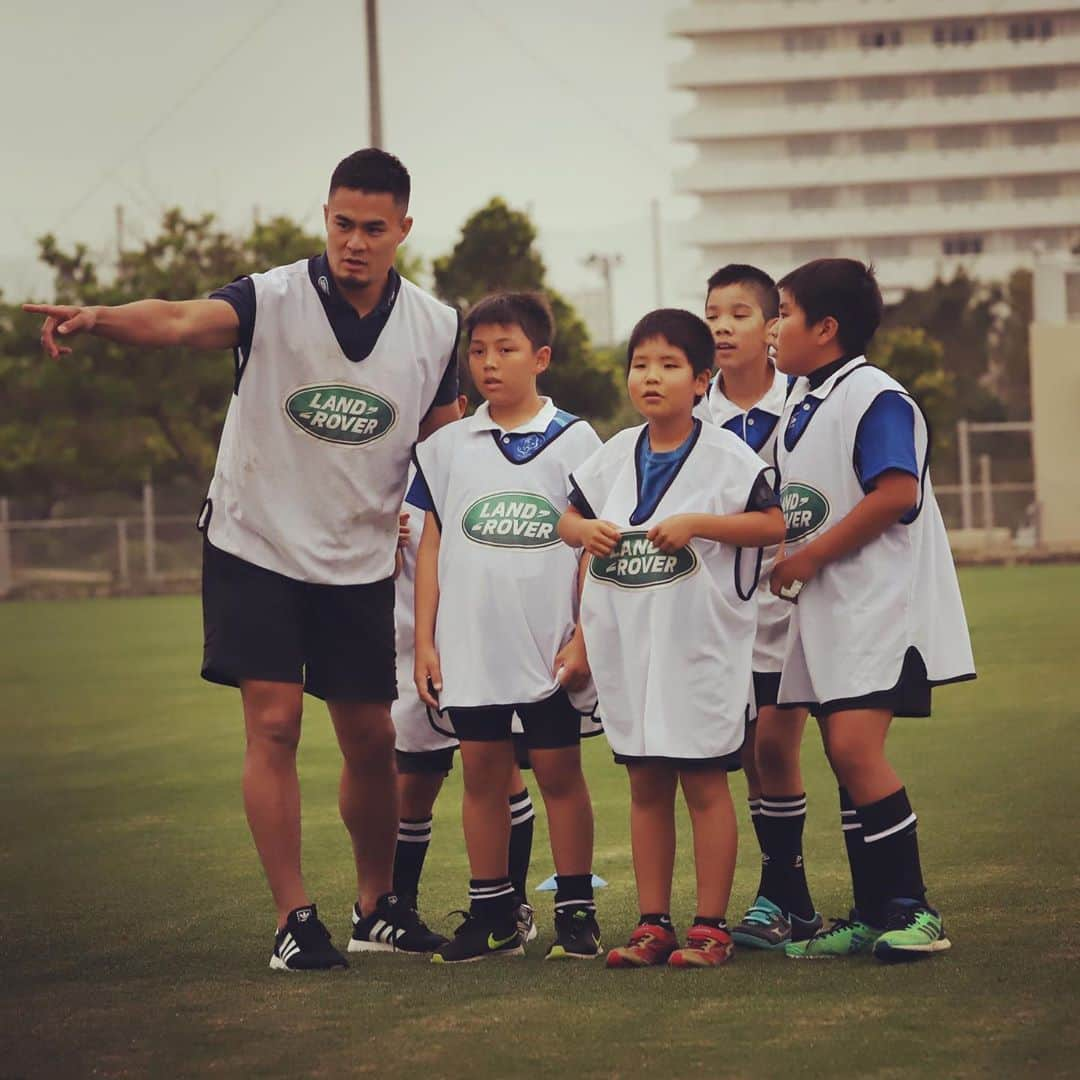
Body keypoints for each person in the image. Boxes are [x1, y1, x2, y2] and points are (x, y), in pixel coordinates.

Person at [26, 149, 463, 970]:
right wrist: (102, 315)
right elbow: (181, 320)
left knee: (372, 735)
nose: (355, 242)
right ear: (325, 218)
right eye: (342, 224)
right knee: (276, 721)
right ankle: (294, 919)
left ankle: (377, 906)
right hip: (255, 541)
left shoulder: (438, 325)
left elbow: (445, 442)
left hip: (361, 554)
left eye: (374, 228)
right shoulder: (274, 298)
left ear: (404, 229)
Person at [559, 309, 786, 969]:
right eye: (640, 364)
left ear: (701, 380)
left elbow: (772, 526)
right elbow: (567, 518)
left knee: (705, 780)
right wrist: (583, 534)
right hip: (631, 650)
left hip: (700, 648)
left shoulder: (727, 457)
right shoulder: (612, 455)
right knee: (645, 782)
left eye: (669, 365)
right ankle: (652, 924)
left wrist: (701, 524)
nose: (651, 377)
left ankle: (710, 927)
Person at [768, 258, 975, 961]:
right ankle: (869, 914)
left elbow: (894, 496)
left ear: (825, 329)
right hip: (831, 611)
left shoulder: (875, 395)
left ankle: (917, 913)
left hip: (880, 607)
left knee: (856, 748)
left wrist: (807, 557)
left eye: (782, 312)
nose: (772, 327)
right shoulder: (801, 400)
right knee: (840, 753)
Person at [412, 292, 603, 964]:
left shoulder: (577, 440)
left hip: (547, 645)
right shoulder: (446, 447)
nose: (488, 363)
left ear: (541, 357)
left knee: (557, 772)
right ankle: (493, 913)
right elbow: (431, 544)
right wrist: (425, 640)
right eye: (479, 350)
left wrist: (583, 634)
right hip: (470, 646)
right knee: (482, 773)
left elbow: (593, 548)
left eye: (507, 349)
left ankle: (576, 910)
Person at [698, 265, 823, 950]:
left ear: (773, 323)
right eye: (713, 312)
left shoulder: (807, 406)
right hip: (720, 612)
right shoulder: (694, 413)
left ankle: (780, 894)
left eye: (740, 312)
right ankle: (790, 900)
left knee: (776, 743)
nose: (722, 325)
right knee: (749, 753)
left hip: (795, 604)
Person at [389, 399, 539, 948]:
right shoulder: (391, 462)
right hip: (413, 641)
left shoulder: (489, 450)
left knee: (501, 772)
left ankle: (510, 904)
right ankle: (392, 907)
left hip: (490, 642)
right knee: (416, 779)